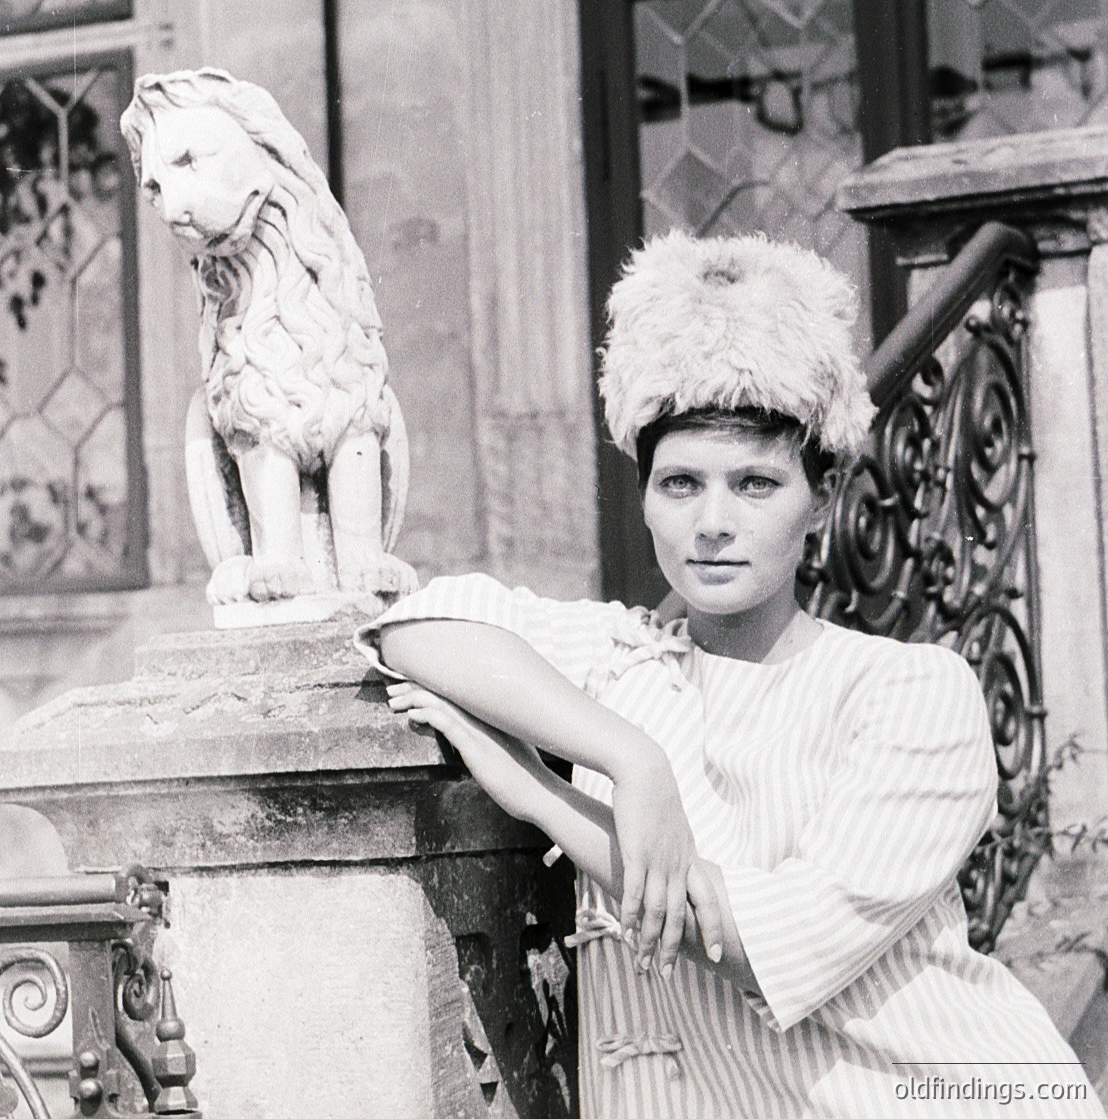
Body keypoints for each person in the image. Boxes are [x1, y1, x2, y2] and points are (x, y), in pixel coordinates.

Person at [356, 230, 1105, 1117]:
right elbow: (411, 625)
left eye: (755, 484)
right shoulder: (619, 659)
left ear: (820, 498)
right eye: (679, 484)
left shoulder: (912, 696)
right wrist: (634, 762)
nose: (712, 523)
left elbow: (756, 939)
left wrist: (544, 795)